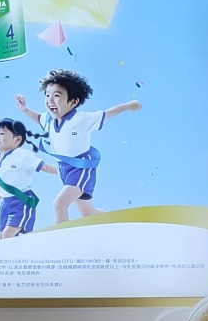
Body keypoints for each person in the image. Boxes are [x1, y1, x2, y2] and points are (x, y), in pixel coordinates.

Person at [16, 68, 142, 223]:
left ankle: (62, 236)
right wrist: (24, 109)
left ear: (73, 101)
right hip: (64, 169)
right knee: (88, 212)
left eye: (57, 96)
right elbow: (37, 118)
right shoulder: (48, 119)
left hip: (81, 167)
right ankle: (119, 222)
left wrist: (128, 106)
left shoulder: (82, 119)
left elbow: (108, 113)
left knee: (59, 204)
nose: (50, 101)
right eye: (47, 95)